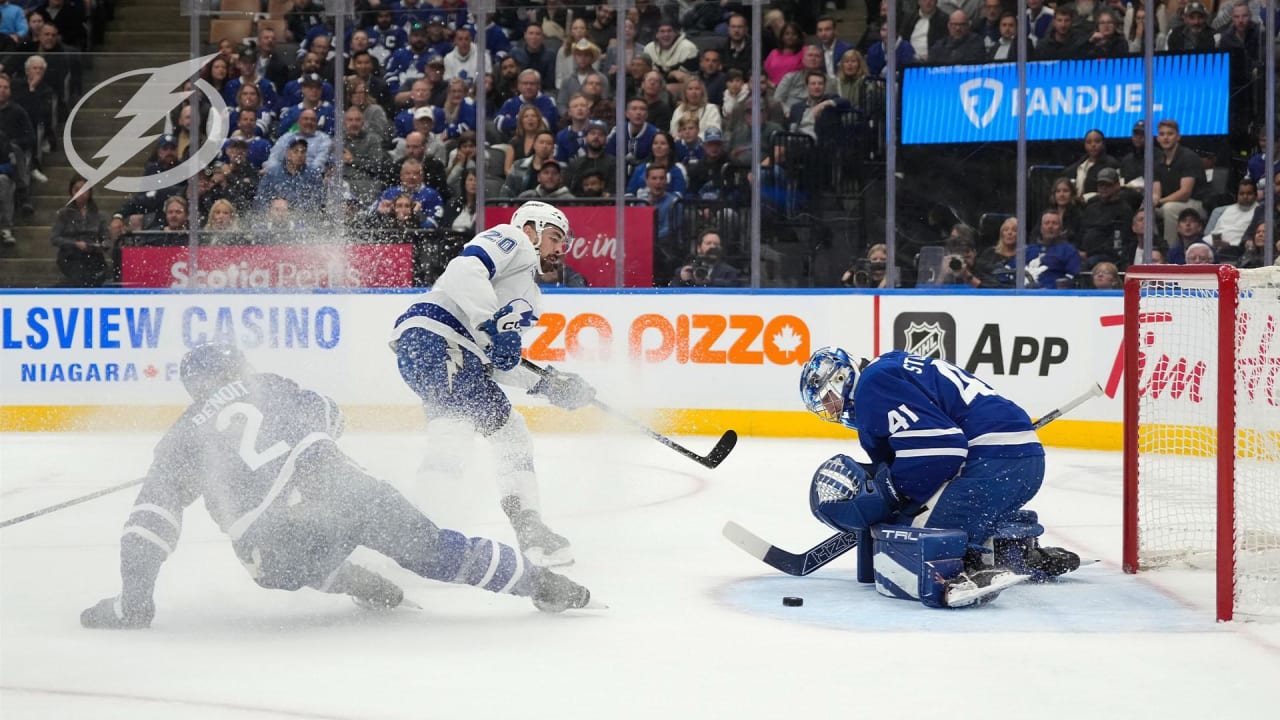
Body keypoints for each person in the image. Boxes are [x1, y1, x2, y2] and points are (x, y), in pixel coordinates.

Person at [80, 344, 595, 630]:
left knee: (268, 563)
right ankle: (541, 585)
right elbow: (333, 416)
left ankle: (343, 577)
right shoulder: (270, 384)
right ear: (236, 368)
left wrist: (134, 601)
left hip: (272, 542)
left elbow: (150, 526)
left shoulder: (179, 440)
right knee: (436, 550)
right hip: (337, 487)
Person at [390, 201, 595, 567]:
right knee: (453, 432)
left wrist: (548, 384)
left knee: (511, 433)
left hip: (462, 355)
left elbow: (498, 362)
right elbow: (463, 270)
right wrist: (490, 323)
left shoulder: (531, 300)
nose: (560, 249)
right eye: (554, 238)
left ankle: (531, 530)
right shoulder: (512, 239)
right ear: (531, 229)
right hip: (433, 337)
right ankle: (410, 541)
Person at [796, 347, 1081, 609]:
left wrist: (896, 495)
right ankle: (1014, 550)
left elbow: (944, 450)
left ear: (844, 377)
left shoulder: (873, 386)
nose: (833, 409)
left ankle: (966, 569)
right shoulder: (890, 367)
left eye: (829, 398)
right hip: (1021, 462)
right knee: (943, 505)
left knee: (914, 532)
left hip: (994, 464)